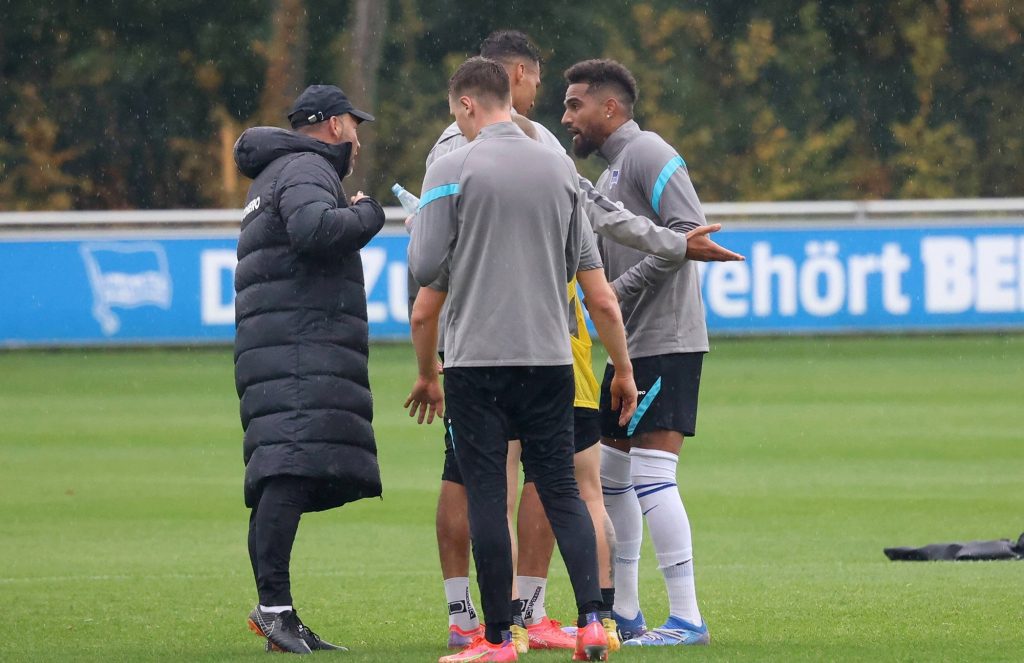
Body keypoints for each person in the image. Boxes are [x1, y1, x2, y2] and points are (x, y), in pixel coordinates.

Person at [407, 57, 613, 663]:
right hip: (549, 355)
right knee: (560, 489)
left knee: (485, 494)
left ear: (467, 104)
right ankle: (593, 622)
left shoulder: (451, 166)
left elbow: (424, 266)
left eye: (456, 113)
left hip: (478, 359)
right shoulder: (559, 166)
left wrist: (443, 234)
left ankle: (497, 639)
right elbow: (580, 263)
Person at [561, 59, 744, 648]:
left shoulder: (650, 153)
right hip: (631, 344)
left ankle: (687, 619)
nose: (566, 118)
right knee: (611, 474)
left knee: (651, 475)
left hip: (665, 339)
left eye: (575, 105)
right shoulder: (614, 170)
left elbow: (689, 238)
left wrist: (615, 294)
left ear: (609, 107)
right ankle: (626, 611)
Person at [233, 84, 386, 655]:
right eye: (354, 126)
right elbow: (314, 231)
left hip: (280, 345)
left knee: (282, 474)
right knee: (288, 474)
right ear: (333, 125)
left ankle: (279, 614)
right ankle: (274, 611)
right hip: (298, 346)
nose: (358, 140)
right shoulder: (305, 168)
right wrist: (368, 212)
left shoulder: (275, 171)